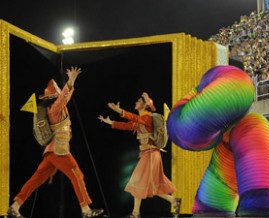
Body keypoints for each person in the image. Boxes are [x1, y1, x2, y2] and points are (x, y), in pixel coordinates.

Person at [7, 67, 103, 218]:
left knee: (36, 179)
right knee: (77, 174)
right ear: (54, 97)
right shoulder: (55, 109)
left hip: (53, 152)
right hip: (58, 150)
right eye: (57, 95)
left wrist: (71, 83)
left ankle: (15, 206)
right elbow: (65, 96)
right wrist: (71, 80)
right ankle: (86, 210)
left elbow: (66, 96)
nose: (60, 97)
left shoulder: (56, 108)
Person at [98, 92, 181, 218]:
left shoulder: (147, 118)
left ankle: (136, 213)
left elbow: (134, 119)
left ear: (144, 105)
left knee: (138, 181)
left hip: (151, 154)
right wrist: (110, 122)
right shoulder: (141, 120)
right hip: (148, 155)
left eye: (138, 101)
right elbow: (127, 125)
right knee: (150, 185)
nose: (135, 102)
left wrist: (120, 111)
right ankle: (173, 201)